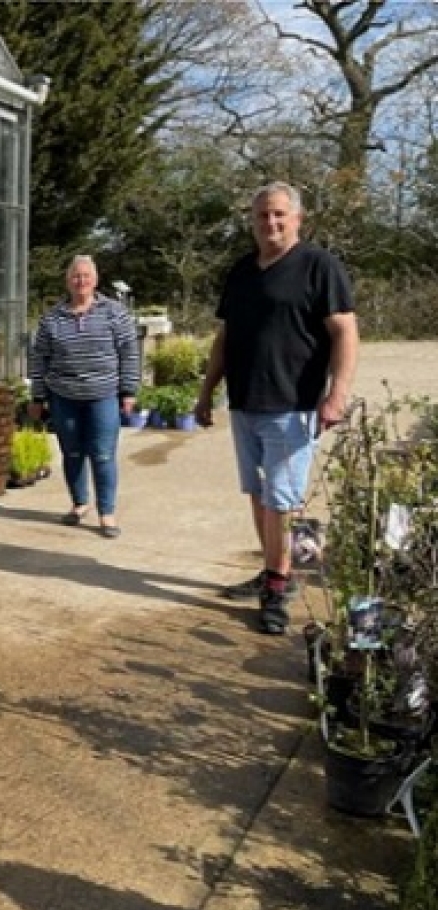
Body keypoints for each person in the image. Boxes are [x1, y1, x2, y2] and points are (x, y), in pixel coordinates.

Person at [196, 181, 359, 636]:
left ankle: (277, 589)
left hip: (293, 403)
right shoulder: (242, 272)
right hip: (246, 403)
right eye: (262, 216)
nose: (270, 222)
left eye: (279, 215)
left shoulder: (318, 267)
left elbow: (345, 331)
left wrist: (336, 395)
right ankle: (272, 569)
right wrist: (208, 390)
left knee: (282, 500)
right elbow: (225, 337)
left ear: (297, 219)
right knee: (258, 493)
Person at [27, 255, 140, 539]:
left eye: (86, 275)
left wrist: (129, 391)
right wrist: (37, 397)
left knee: (103, 455)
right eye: (75, 276)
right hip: (63, 397)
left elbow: (130, 353)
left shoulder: (115, 313)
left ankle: (107, 512)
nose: (81, 281)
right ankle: (79, 504)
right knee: (72, 453)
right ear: (67, 281)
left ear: (96, 280)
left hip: (104, 396)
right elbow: (39, 358)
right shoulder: (52, 318)